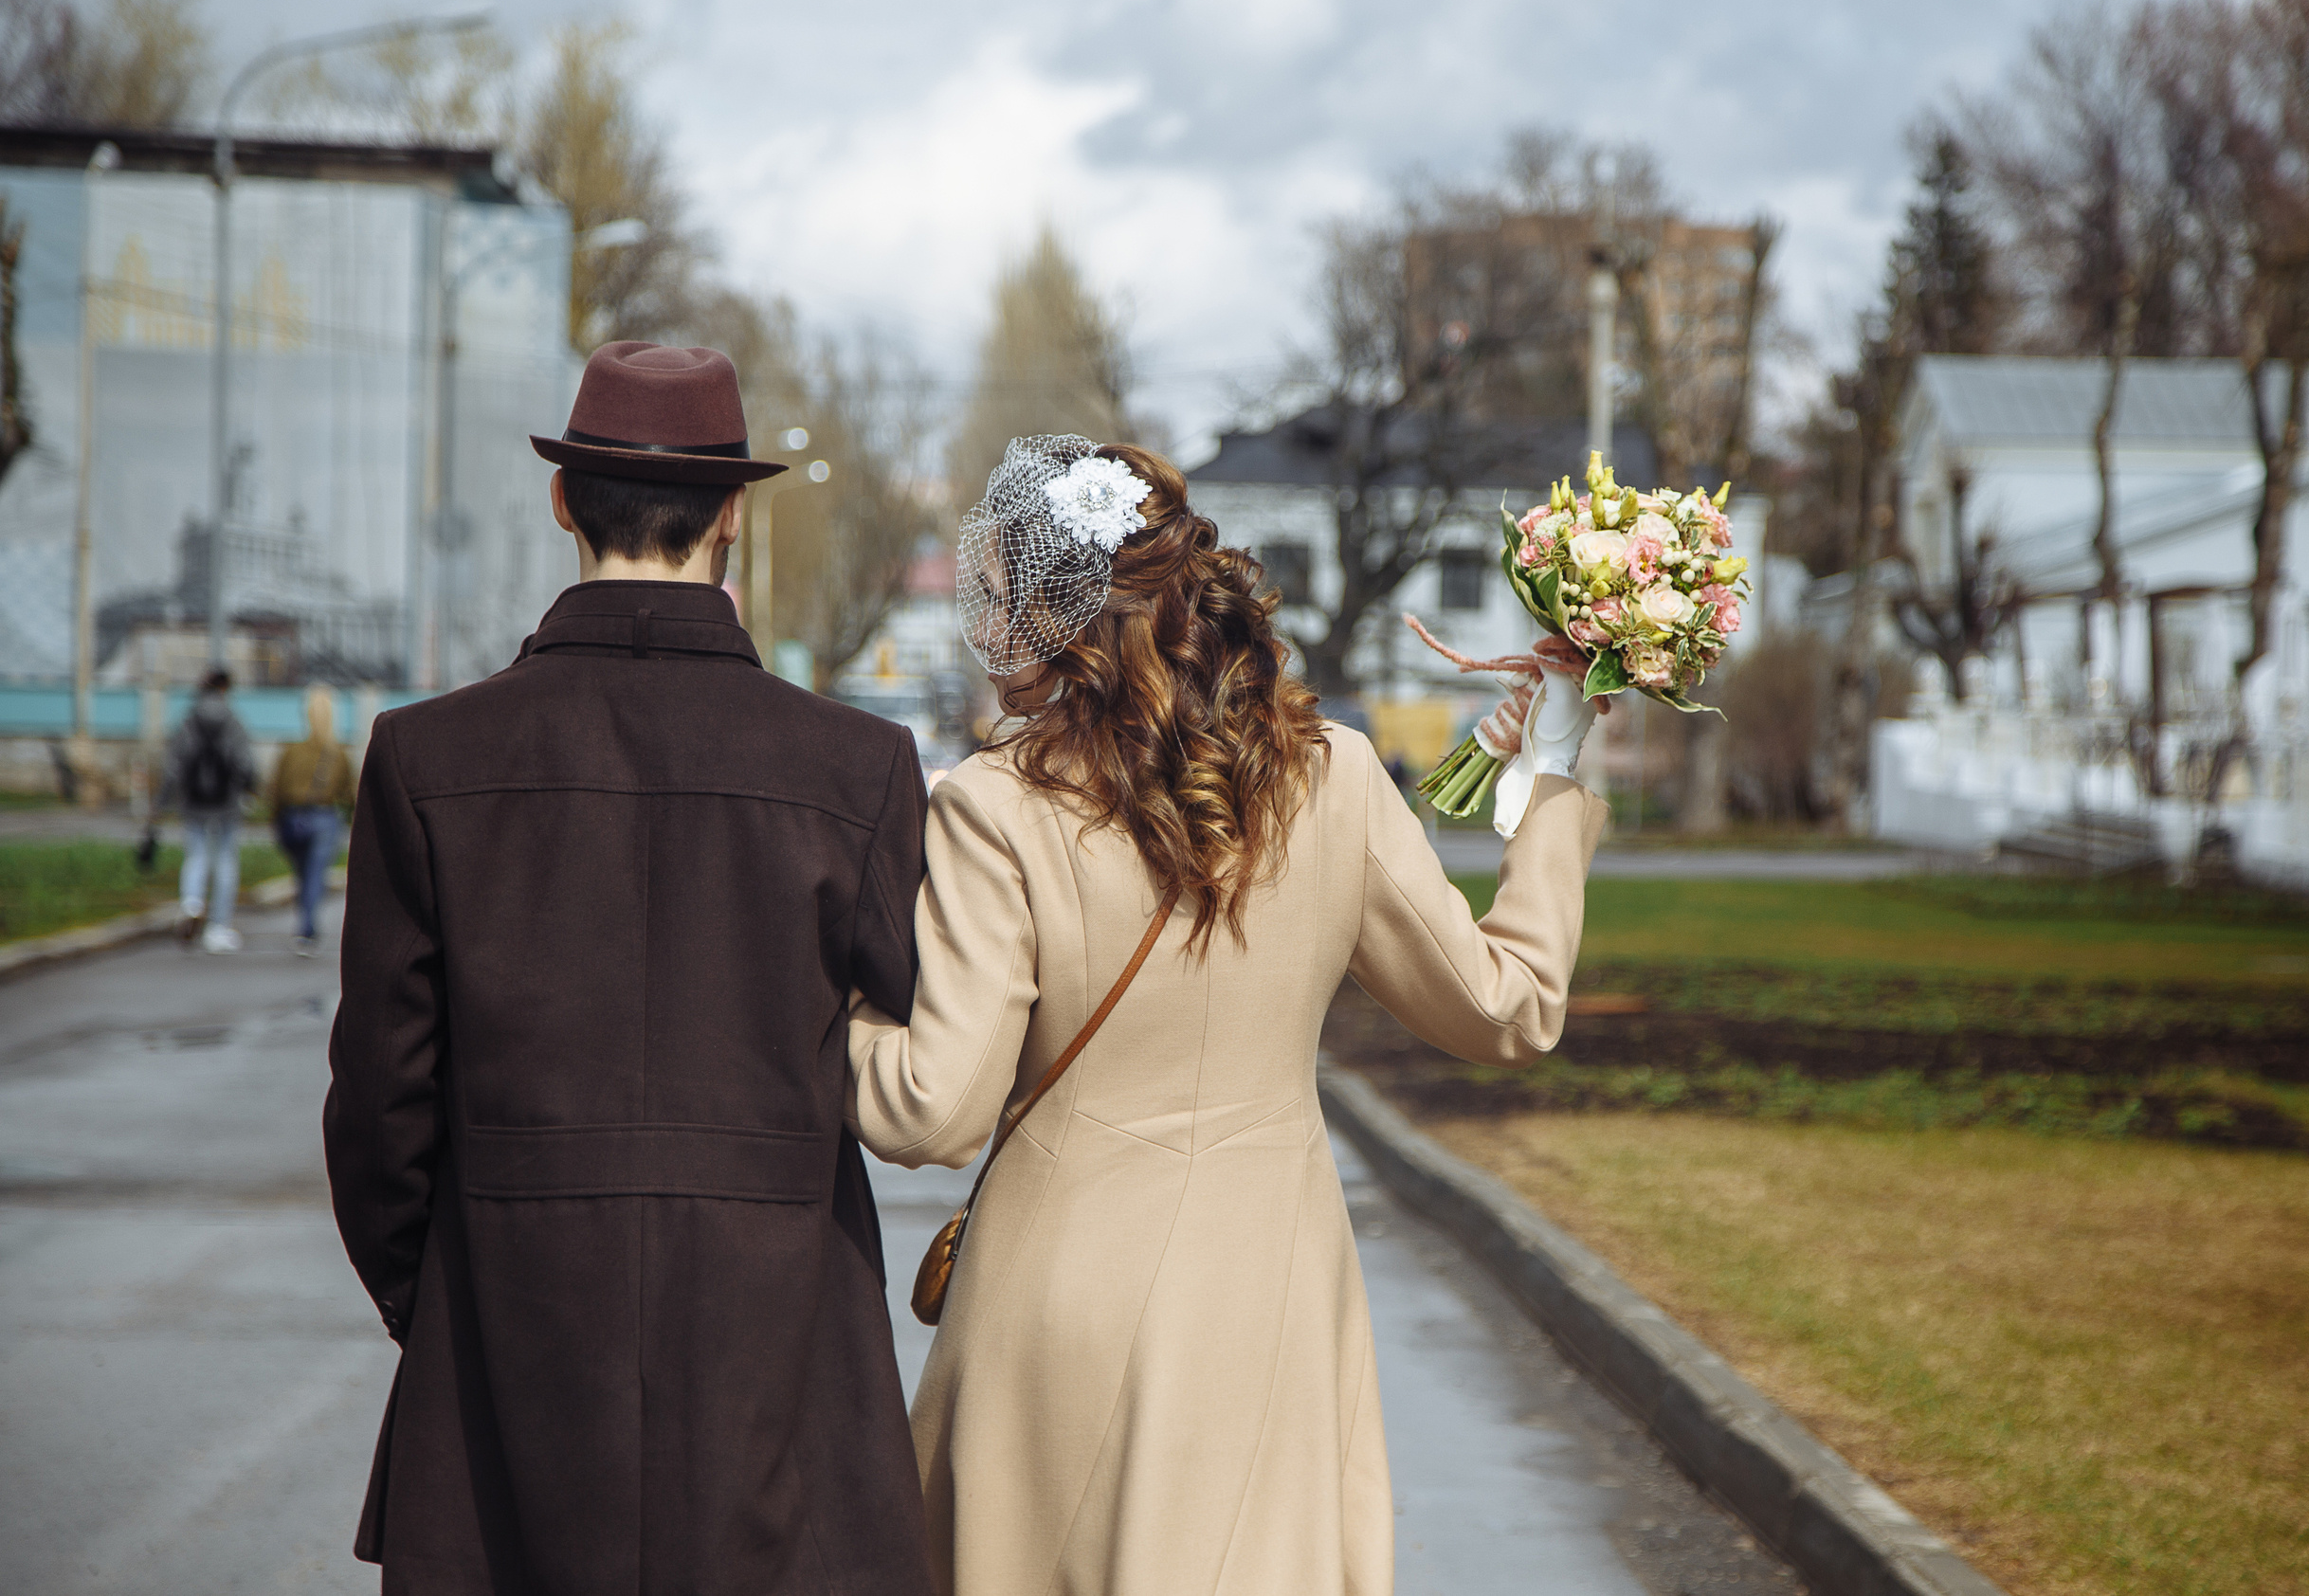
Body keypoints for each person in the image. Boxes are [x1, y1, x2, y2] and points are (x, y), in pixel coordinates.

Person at [849, 436, 1608, 1596]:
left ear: (1048, 610)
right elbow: (1508, 1009)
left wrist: (829, 1021)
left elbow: (933, 1109)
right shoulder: (1336, 776)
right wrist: (1551, 771)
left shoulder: (994, 806)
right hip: (1274, 1302)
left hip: (1060, 1311)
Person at [324, 341, 935, 1594]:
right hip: (781, 1349)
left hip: (505, 1330)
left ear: (562, 501)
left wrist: (441, 1293)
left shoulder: (422, 757)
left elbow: (380, 1103)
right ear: (734, 517)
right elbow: (918, 1029)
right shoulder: (858, 767)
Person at [158, 667, 257, 954]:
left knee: (196, 854)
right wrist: (250, 789)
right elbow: (246, 764)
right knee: (225, 859)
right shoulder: (233, 721)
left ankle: (192, 903)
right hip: (226, 804)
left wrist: (160, 806)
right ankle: (218, 927)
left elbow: (173, 767)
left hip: (193, 803)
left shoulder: (188, 721)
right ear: (225, 689)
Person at [269, 683, 354, 956]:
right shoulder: (338, 753)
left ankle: (304, 923)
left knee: (302, 874)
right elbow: (350, 793)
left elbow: (276, 790)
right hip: (323, 817)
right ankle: (306, 930)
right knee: (315, 875)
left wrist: (276, 822)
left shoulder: (291, 751)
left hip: (293, 819)